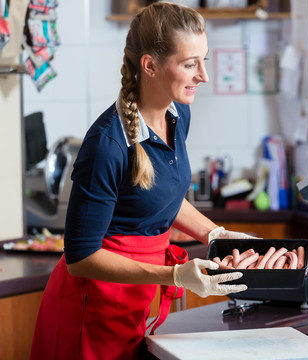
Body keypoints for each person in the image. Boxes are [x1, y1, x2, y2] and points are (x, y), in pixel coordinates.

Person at [30, 3, 254, 359]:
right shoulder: (107, 144)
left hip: (135, 294)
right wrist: (176, 276)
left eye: (204, 61)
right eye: (189, 63)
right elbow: (80, 257)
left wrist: (216, 234)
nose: (203, 76)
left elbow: (160, 194)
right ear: (150, 65)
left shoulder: (179, 116)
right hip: (90, 306)